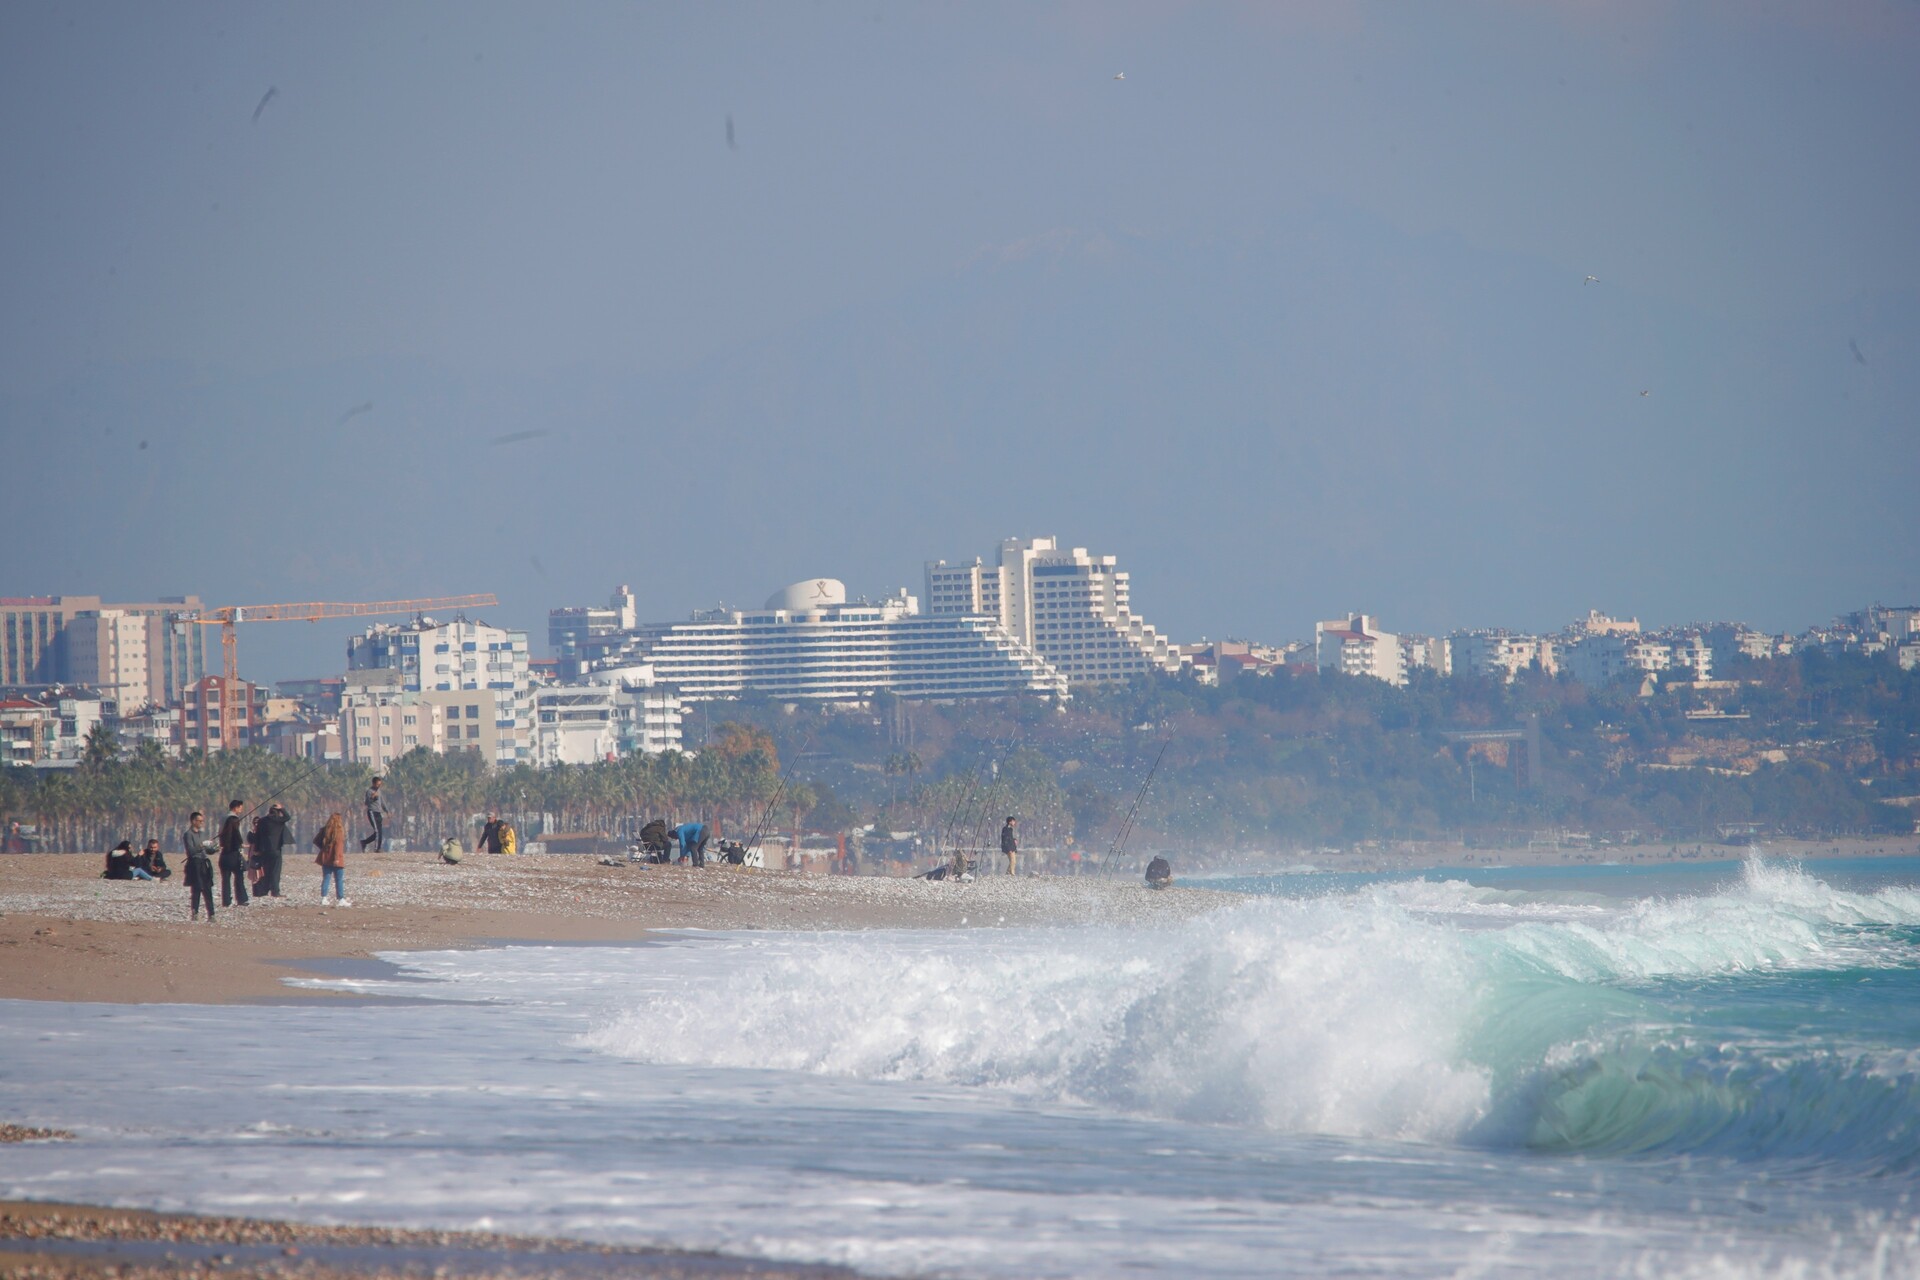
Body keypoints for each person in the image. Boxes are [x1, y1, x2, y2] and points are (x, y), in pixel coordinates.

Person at [182, 811, 217, 922]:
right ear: (193, 821)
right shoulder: (188, 834)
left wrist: (214, 848)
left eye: (202, 821)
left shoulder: (203, 834)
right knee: (196, 888)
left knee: (208, 889)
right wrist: (202, 845)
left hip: (204, 863)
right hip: (194, 863)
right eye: (200, 821)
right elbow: (191, 851)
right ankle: (195, 913)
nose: (202, 823)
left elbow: (208, 850)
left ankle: (211, 915)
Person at [216, 800, 249, 907]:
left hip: (224, 852)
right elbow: (235, 835)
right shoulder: (233, 819)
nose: (241, 809)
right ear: (236, 808)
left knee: (225, 879)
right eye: (240, 807)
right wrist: (241, 844)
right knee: (239, 877)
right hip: (233, 853)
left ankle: (226, 901)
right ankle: (241, 899)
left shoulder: (222, 818)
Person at [254, 803, 292, 898]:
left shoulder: (262, 821)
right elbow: (287, 817)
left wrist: (257, 849)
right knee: (275, 872)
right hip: (275, 850)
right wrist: (282, 808)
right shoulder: (278, 821)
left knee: (266, 871)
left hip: (264, 850)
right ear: (278, 813)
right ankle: (275, 892)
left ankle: (264, 890)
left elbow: (257, 836)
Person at [313, 812, 348, 906]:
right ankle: (341, 899)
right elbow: (338, 846)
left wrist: (324, 849)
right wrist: (336, 858)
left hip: (326, 859)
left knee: (326, 878)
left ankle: (323, 898)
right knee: (339, 880)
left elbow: (316, 841)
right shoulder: (339, 831)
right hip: (337, 860)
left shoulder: (325, 830)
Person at [360, 777, 387, 852]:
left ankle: (364, 842)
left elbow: (382, 802)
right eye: (377, 784)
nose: (379, 786)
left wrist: (386, 810)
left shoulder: (379, 791)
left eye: (380, 784)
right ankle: (377, 849)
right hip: (372, 812)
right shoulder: (369, 791)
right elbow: (366, 803)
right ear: (373, 783)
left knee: (380, 831)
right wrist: (372, 797)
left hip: (379, 813)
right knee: (377, 831)